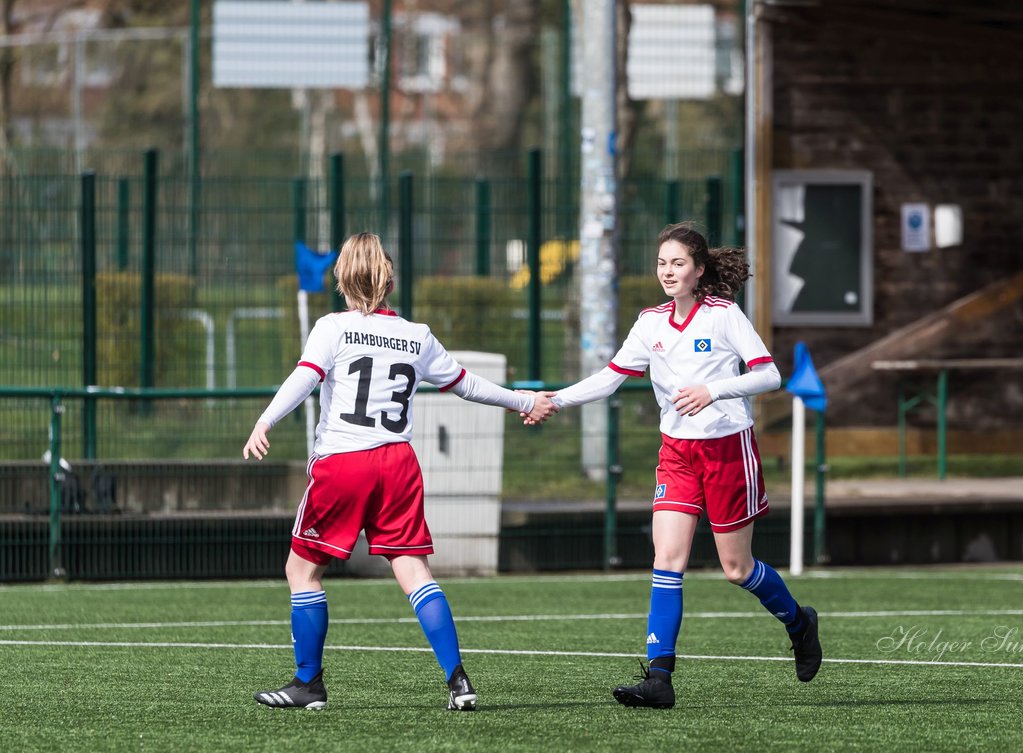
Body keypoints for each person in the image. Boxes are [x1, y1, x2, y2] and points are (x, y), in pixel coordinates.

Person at [243, 232, 555, 712]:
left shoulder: (332, 327)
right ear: (389, 281)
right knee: (415, 572)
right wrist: (523, 401)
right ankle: (459, 681)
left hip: (345, 463)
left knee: (301, 570)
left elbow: (305, 376)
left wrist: (265, 420)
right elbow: (466, 384)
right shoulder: (416, 334)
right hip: (398, 465)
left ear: (343, 279)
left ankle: (308, 684)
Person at [535, 222, 821, 708]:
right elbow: (609, 378)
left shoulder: (724, 315)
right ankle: (660, 678)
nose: (668, 271)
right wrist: (554, 400)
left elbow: (769, 375)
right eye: (662, 263)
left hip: (728, 451)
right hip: (677, 454)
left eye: (678, 263)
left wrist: (714, 389)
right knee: (667, 560)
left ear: (699, 270)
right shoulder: (650, 322)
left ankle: (798, 622)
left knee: (736, 568)